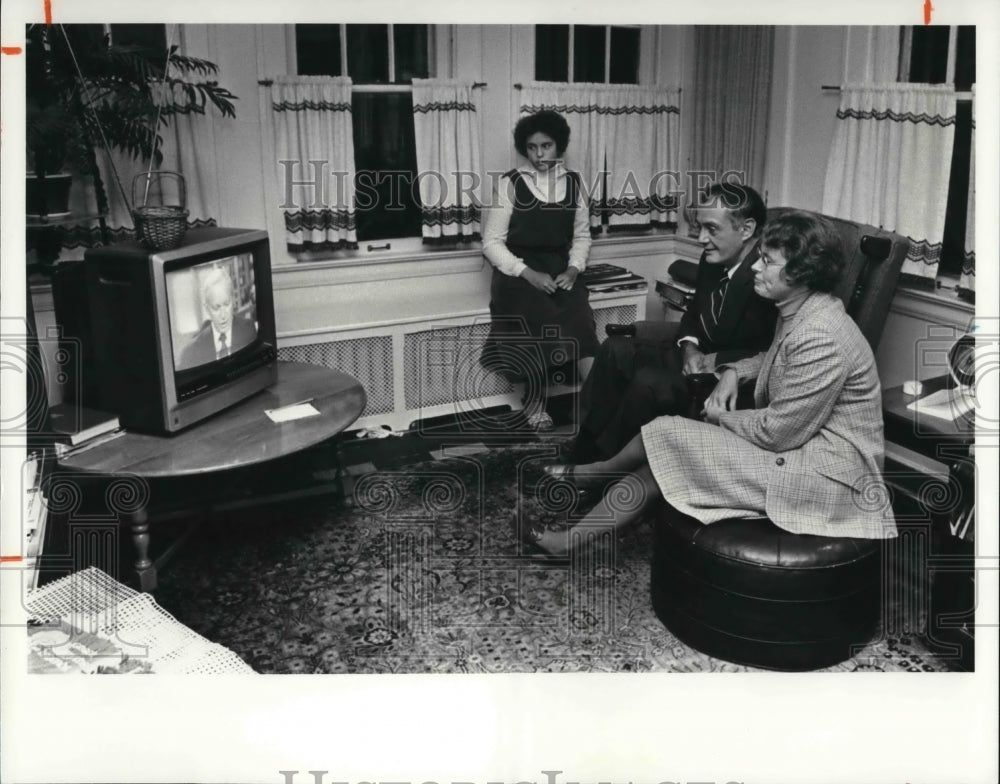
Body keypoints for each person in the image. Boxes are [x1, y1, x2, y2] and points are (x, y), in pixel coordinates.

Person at [531, 210, 896, 556]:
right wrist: (735, 371)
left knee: (669, 443)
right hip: (803, 453)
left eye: (767, 261)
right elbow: (776, 357)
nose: (755, 266)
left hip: (825, 478)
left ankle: (587, 488)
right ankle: (575, 518)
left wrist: (719, 417)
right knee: (665, 440)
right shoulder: (805, 310)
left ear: (802, 272)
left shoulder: (822, 334)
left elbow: (778, 434)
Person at [571, 182, 778, 461]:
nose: (701, 238)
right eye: (700, 227)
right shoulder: (713, 259)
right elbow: (694, 314)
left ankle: (605, 466)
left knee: (649, 382)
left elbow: (774, 351)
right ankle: (584, 446)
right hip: (695, 358)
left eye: (712, 229)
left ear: (747, 229)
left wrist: (716, 362)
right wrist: (690, 347)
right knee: (614, 349)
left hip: (726, 379)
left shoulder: (769, 276)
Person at [480, 110, 599, 431]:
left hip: (561, 271)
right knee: (531, 324)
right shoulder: (510, 183)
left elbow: (582, 237)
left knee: (581, 324)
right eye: (532, 148)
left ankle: (599, 403)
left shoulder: (575, 183)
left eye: (546, 146)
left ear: (559, 146)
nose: (539, 154)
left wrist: (574, 270)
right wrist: (528, 273)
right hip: (517, 276)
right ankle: (534, 404)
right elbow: (491, 244)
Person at [180, 266, 257, 369]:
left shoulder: (250, 329)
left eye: (226, 304)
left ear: (233, 300)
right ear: (207, 309)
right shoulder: (192, 351)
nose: (223, 315)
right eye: (216, 308)